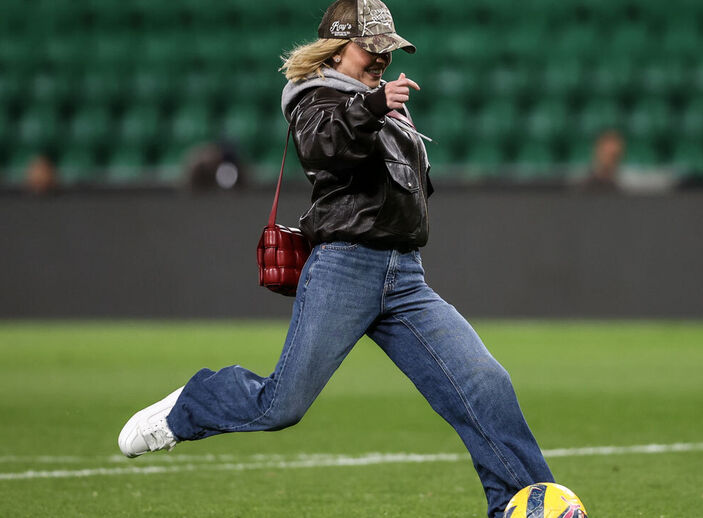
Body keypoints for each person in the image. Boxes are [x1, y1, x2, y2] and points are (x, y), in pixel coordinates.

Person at [117, 1, 554, 516]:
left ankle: (528, 505)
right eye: (372, 49)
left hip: (404, 274)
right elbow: (322, 145)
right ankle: (190, 405)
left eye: (387, 53)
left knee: (484, 383)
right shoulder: (315, 99)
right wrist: (371, 108)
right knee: (281, 405)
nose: (381, 61)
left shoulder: (376, 102)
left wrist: (377, 112)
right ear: (338, 46)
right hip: (346, 266)